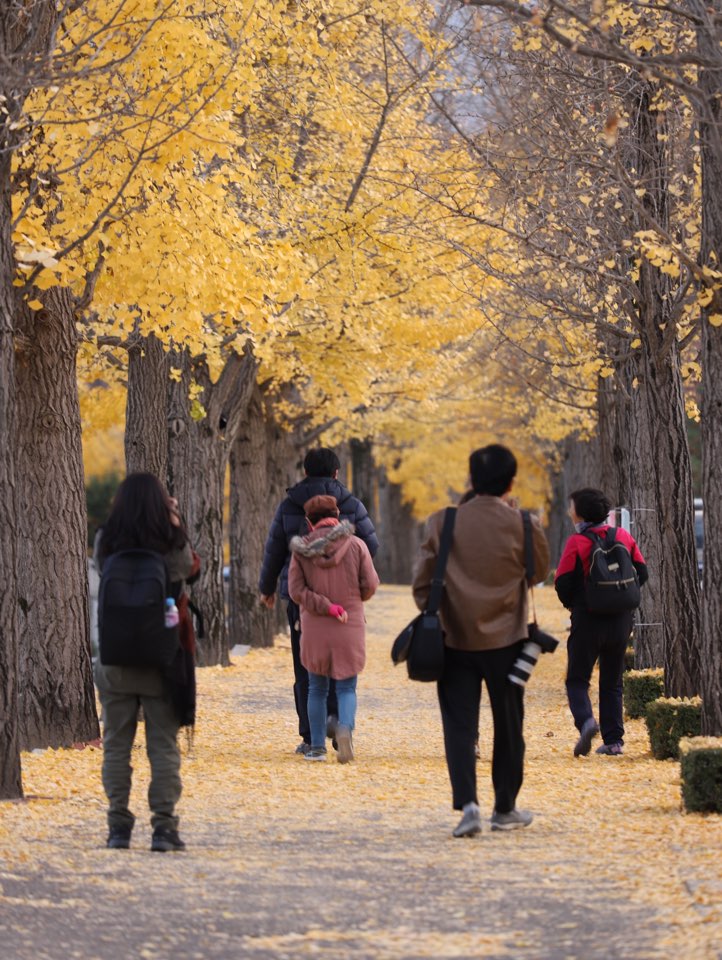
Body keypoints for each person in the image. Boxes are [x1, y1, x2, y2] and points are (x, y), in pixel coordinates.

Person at [412, 444, 549, 838]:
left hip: (454, 638)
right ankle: (504, 807)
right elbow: (538, 571)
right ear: (511, 482)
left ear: (469, 479)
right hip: (508, 639)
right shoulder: (524, 523)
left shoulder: (443, 522)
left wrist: (444, 612)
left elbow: (423, 584)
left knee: (459, 724)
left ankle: (468, 805)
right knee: (509, 724)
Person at [94, 473, 199, 852]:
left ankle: (118, 827)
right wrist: (176, 522)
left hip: (116, 655)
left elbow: (104, 572)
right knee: (163, 747)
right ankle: (164, 828)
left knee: (116, 745)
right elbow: (190, 571)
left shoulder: (107, 540)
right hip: (162, 655)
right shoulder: (169, 539)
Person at [259, 447, 379, 755]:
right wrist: (354, 586)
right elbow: (372, 546)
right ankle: (340, 725)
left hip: (304, 602)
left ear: (306, 472)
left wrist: (268, 587)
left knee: (308, 672)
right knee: (344, 674)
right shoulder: (351, 504)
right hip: (347, 606)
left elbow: (274, 550)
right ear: (337, 473)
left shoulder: (290, 505)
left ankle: (311, 738)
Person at [555, 487, 648, 758]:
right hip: (620, 621)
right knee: (612, 680)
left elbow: (562, 581)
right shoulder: (623, 536)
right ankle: (614, 741)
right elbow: (641, 571)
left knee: (577, 679)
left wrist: (575, 603)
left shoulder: (578, 542)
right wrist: (620, 597)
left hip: (588, 619)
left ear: (580, 513)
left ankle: (586, 721)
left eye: (571, 507)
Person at [287, 495, 380, 762]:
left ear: (309, 521)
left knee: (316, 688)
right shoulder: (357, 546)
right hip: (348, 622)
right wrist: (353, 598)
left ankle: (316, 747)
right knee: (347, 687)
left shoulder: (301, 551)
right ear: (337, 515)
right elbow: (371, 584)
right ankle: (345, 728)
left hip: (314, 626)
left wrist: (324, 606)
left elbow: (295, 591)